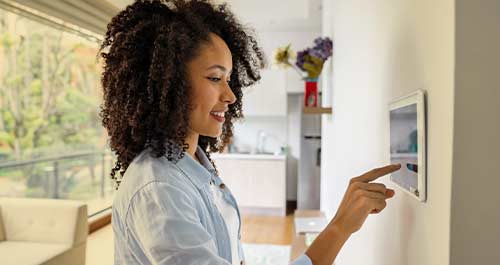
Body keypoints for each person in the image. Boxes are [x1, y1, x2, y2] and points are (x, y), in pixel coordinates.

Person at [100, 1, 401, 264]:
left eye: (229, 79)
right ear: (167, 82)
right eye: (215, 77)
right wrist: (339, 228)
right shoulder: (159, 189)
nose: (230, 95)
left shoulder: (191, 166)